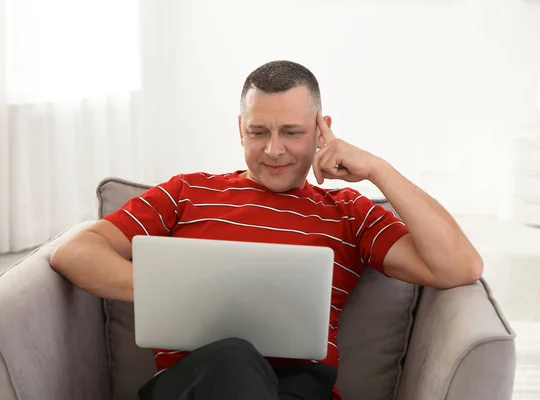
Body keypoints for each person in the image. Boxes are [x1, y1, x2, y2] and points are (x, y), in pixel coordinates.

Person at [50, 60, 483, 400]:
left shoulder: (348, 211)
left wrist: (378, 170)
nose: (274, 150)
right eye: (259, 132)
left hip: (300, 385)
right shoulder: (187, 192)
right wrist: (177, 292)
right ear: (240, 129)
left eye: (292, 132)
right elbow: (75, 253)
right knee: (233, 357)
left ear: (321, 130)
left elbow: (459, 266)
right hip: (195, 384)